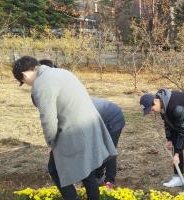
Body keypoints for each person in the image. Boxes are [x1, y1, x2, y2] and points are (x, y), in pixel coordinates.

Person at [12, 56, 117, 200]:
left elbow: (48, 118)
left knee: (55, 168)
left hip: (72, 129)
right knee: (86, 165)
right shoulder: (61, 72)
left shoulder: (41, 84)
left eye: (23, 81)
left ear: (25, 75)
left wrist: (51, 141)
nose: (26, 84)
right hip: (89, 123)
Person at [38, 59, 125, 187]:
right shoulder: (60, 101)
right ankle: (96, 177)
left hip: (112, 117)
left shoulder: (67, 106)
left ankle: (109, 180)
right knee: (94, 148)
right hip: (97, 117)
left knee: (108, 149)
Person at [139, 89, 184, 191]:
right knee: (175, 143)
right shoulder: (162, 104)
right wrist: (169, 139)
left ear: (155, 101)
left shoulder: (175, 107)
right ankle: (177, 177)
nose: (152, 111)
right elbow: (167, 122)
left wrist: (177, 154)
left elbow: (183, 130)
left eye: (151, 108)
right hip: (181, 118)